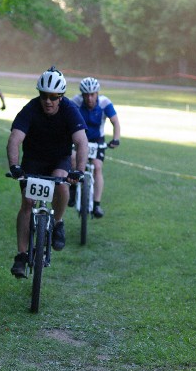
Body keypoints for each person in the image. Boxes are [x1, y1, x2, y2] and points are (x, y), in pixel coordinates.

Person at [7, 66, 89, 278]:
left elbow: (81, 142)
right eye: (44, 95)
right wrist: (14, 166)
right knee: (27, 203)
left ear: (61, 97)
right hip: (33, 160)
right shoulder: (31, 108)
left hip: (59, 159)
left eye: (54, 97)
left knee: (62, 184)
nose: (48, 101)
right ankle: (22, 255)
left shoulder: (70, 110)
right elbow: (15, 138)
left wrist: (79, 170)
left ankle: (58, 222)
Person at [70, 77, 121, 218]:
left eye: (92, 94)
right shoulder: (76, 101)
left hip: (97, 140)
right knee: (73, 159)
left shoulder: (105, 103)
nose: (89, 98)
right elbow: (66, 118)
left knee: (97, 168)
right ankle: (73, 189)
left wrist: (116, 139)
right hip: (80, 139)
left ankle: (97, 204)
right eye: (86, 95)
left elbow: (115, 122)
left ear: (97, 93)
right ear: (82, 95)